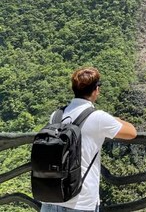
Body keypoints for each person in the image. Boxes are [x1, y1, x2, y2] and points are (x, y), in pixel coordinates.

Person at [40, 67, 137, 212]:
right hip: (81, 202)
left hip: (51, 198)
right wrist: (115, 119)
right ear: (96, 90)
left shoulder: (56, 115)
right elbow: (131, 132)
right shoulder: (98, 117)